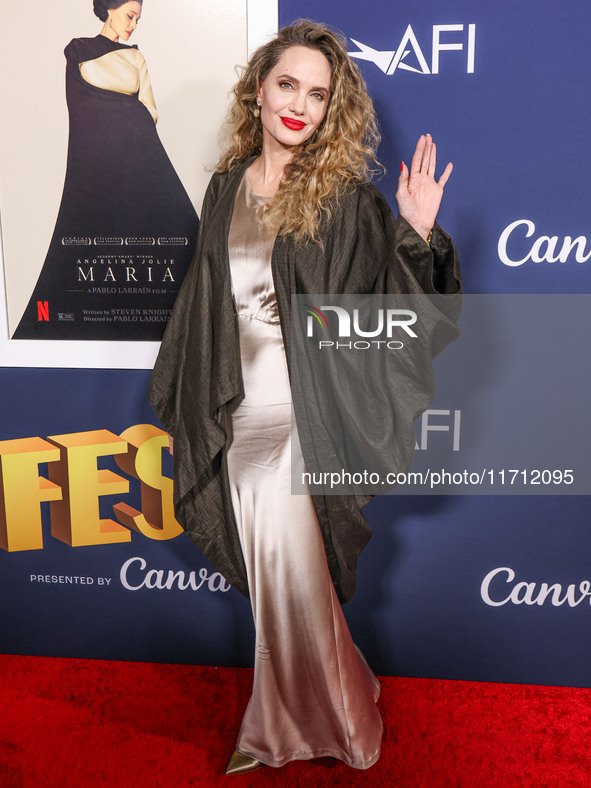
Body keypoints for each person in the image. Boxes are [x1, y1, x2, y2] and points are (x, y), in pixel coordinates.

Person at [148, 20, 460, 775]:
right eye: (287, 85)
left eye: (317, 95)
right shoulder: (225, 186)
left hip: (300, 416)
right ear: (258, 89)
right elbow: (204, 308)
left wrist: (415, 235)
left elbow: (386, 314)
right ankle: (340, 693)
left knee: (294, 571)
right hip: (235, 410)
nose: (299, 105)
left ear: (330, 110)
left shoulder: (343, 198)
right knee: (277, 583)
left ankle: (302, 730)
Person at [14, 0, 199, 340]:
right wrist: (119, 110)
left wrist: (130, 125)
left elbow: (150, 110)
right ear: (109, 9)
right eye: (130, 15)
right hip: (94, 159)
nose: (133, 25)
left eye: (138, 20)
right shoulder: (78, 50)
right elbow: (80, 105)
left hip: (140, 154)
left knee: (174, 238)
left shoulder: (135, 56)